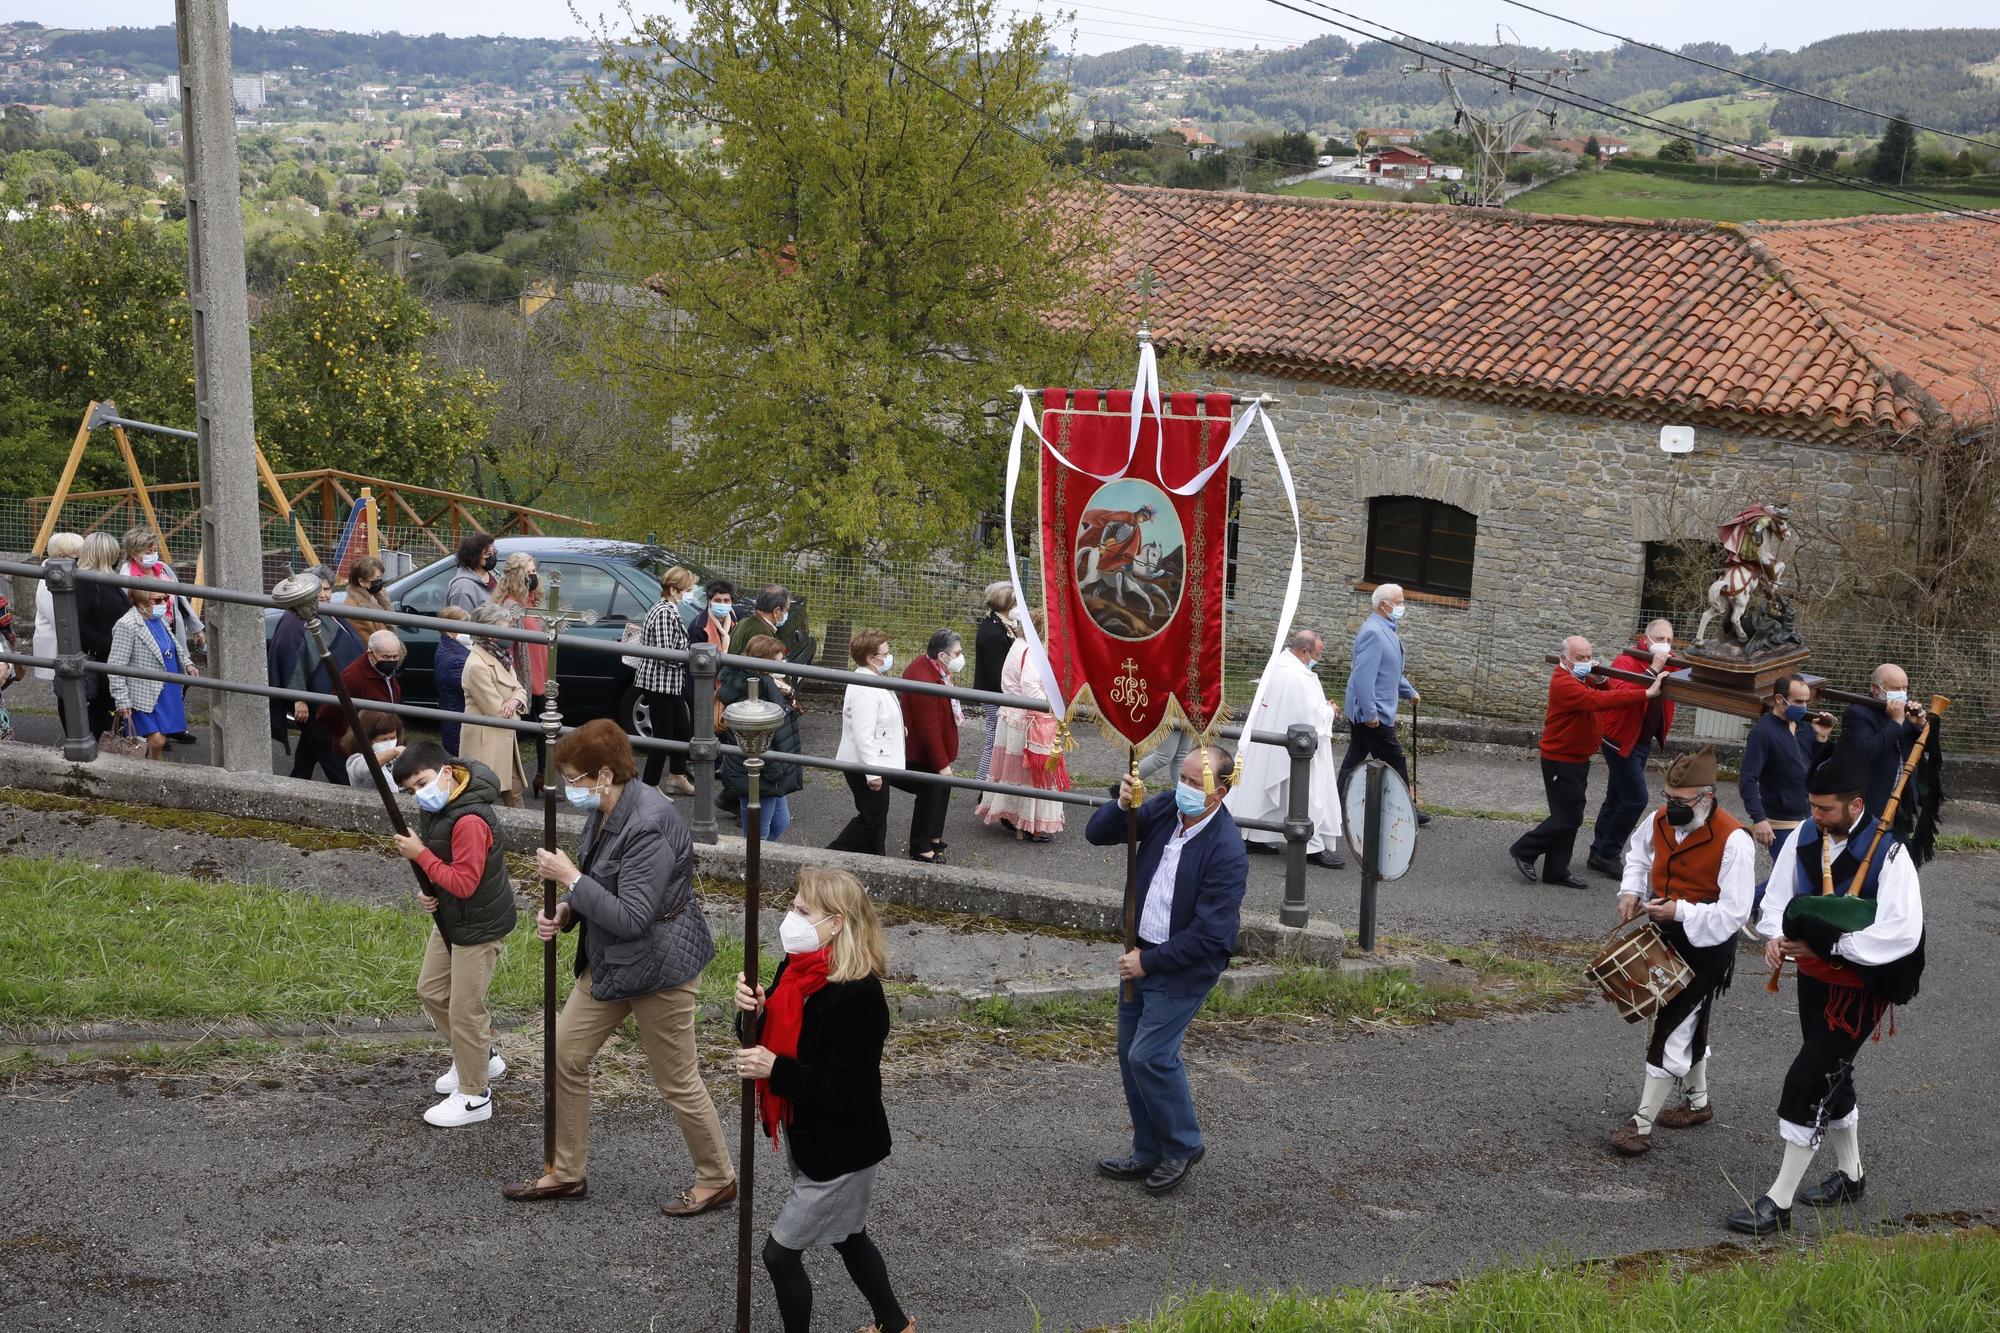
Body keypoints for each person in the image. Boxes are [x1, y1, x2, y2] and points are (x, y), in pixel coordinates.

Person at [508, 720, 737, 1213]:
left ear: (604, 774)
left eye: (574, 779)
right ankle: (566, 1171)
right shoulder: (611, 807)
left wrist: (570, 880)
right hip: (612, 961)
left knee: (676, 1078)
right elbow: (600, 881)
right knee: (564, 1053)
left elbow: (633, 916)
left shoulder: (649, 822)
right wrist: (568, 910)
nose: (569, 789)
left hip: (659, 968)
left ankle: (717, 1177)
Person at [1729, 742, 1925, 1236]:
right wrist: (1776, 936)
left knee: (1807, 1079)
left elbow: (1902, 930)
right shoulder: (1803, 837)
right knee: (1834, 1071)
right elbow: (1776, 898)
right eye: (1812, 806)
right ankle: (1852, 1175)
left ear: (1855, 806)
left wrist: (1834, 946)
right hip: (1813, 979)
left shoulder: (1890, 852)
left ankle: (1779, 1202)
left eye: (1825, 808)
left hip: (1860, 986)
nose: (1814, 815)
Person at [734, 867, 911, 1333]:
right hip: (810, 1135)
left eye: (801, 910)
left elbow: (847, 1090)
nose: (790, 919)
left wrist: (777, 1069)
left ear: (835, 923)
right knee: (848, 1237)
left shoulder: (860, 996)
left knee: (779, 1253)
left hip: (844, 1151)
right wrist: (752, 1010)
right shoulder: (796, 970)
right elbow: (765, 1040)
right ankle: (894, 1324)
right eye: (793, 907)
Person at [1088, 745, 1248, 1196]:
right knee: (1129, 1055)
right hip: (1139, 954)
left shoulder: (1227, 851)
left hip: (1181, 969)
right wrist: (1120, 805)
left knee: (1150, 1056)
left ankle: (1183, 1144)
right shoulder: (1162, 807)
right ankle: (1148, 1150)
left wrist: (1148, 961)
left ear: (1219, 793)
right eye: (1183, 777)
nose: (1185, 788)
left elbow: (1210, 937)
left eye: (1197, 783)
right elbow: (1096, 834)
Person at [1607, 747, 1753, 1156]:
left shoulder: (1734, 840)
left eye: (1680, 801)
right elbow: (1637, 855)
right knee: (1689, 1021)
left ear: (1706, 797)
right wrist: (1631, 891)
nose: (1670, 807)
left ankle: (1640, 1125)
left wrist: (1682, 910)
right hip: (1665, 935)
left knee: (1673, 1026)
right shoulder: (1658, 820)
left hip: (1708, 946)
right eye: (1667, 797)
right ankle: (1698, 1103)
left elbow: (1734, 913)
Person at [389, 740, 517, 1127]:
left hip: (479, 925)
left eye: (422, 783)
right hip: (454, 916)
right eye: (411, 791)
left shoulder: (470, 821)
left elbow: (463, 883)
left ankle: (476, 1095)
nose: (419, 795)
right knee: (431, 990)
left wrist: (421, 857)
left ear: (447, 772)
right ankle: (482, 1057)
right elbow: (449, 871)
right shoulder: (443, 805)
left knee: (466, 1010)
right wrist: (431, 888)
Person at [1510, 636, 1661, 889]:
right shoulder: (1563, 683)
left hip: (1577, 758)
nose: (1586, 662)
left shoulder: (1579, 677)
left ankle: (1556, 869)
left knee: (1572, 815)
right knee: (1567, 818)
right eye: (1580, 658)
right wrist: (1646, 693)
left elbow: (1604, 691)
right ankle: (1524, 850)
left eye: (1588, 656)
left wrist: (1601, 678)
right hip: (1560, 760)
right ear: (1564, 659)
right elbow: (1599, 702)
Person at [1226, 630, 1345, 869]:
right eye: (1317, 655)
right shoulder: (1295, 676)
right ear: (1304, 651)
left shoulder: (1280, 664)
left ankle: (1255, 836)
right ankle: (1311, 845)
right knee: (1307, 791)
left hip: (1270, 741)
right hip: (1295, 748)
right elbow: (1308, 717)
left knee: (1265, 787)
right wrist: (1330, 710)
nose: (1318, 660)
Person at [1584, 620, 1677, 877]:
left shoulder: (1671, 661)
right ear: (1645, 639)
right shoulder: (1626, 661)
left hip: (1642, 741)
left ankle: (1597, 852)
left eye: (1669, 640)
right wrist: (1653, 668)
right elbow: (1625, 692)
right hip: (1620, 739)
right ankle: (1608, 853)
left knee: (1616, 798)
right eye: (1660, 638)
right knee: (1636, 799)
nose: (1665, 644)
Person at [1338, 584, 1430, 827]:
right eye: (1398, 602)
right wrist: (1370, 713)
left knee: (1354, 758)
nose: (1402, 606)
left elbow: (1389, 671)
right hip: (1372, 713)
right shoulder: (1373, 633)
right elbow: (1362, 677)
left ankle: (1337, 804)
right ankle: (1405, 808)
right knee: (1394, 759)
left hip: (1373, 710)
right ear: (1383, 605)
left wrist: (1409, 692)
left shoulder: (1386, 629)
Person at [977, 607, 1066, 842]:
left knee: (1012, 771)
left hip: (1013, 715)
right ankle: (1027, 824)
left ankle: (1014, 817)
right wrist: (1051, 705)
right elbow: (1031, 687)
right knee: (1031, 775)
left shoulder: (1018, 645)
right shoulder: (1032, 651)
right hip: (1028, 721)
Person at [267, 566, 363, 783]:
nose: (324, 595)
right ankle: (348, 792)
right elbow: (290, 659)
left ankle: (296, 782)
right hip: (317, 701)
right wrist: (299, 698)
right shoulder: (294, 620)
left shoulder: (328, 612)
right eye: (318, 590)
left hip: (334, 696)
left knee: (310, 746)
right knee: (330, 748)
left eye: (327, 589)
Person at [719, 634, 804, 841]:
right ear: (762, 664)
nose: (783, 665)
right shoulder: (757, 690)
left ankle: (757, 865)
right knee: (759, 832)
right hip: (760, 772)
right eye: (777, 661)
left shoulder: (768, 685)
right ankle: (753, 869)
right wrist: (776, 771)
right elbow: (754, 739)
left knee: (779, 822)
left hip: (770, 770)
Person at [1740, 675, 1833, 862]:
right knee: (1787, 880)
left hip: (1810, 819)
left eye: (1807, 701)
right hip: (1781, 823)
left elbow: (1819, 769)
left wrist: (1822, 739)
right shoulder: (1762, 733)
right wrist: (1759, 819)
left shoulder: (1806, 727)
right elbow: (1748, 779)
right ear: (1779, 700)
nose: (1804, 707)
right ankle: (1746, 893)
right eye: (1798, 701)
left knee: (1803, 878)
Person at [829, 630, 903, 857]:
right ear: (871, 658)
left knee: (876, 816)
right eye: (885, 653)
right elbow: (863, 732)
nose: (889, 657)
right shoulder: (865, 686)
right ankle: (829, 854)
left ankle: (875, 858)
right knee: (872, 816)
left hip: (873, 761)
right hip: (865, 764)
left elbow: (880, 716)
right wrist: (872, 774)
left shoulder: (871, 678)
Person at [106, 586, 196, 760]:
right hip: (145, 693)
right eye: (157, 600)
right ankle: (154, 769)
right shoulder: (127, 625)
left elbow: (173, 645)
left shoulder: (158, 618)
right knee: (157, 740)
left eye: (165, 598)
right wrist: (122, 700)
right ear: (141, 602)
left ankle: (153, 767)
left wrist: (188, 663)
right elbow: (115, 666)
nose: (164, 603)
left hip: (168, 689)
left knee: (161, 738)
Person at [898, 628, 962, 865]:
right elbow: (929, 728)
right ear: (942, 656)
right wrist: (942, 764)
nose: (960, 657)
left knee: (942, 788)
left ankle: (934, 835)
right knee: (933, 788)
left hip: (926, 749)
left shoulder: (931, 668)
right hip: (918, 752)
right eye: (956, 653)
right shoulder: (924, 679)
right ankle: (920, 846)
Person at [460, 603, 530, 807]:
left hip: (505, 740)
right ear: (488, 633)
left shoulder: (501, 657)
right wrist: (514, 702)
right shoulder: (477, 665)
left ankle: (522, 836)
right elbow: (498, 712)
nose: (508, 633)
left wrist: (514, 701)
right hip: (485, 742)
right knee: (483, 797)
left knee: (515, 793)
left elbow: (521, 690)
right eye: (504, 628)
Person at [637, 566, 697, 797]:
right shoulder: (664, 612)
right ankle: (649, 785)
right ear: (673, 589)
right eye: (687, 590)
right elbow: (665, 653)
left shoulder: (668, 609)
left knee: (681, 728)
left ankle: (677, 775)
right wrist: (688, 658)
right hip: (659, 683)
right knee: (663, 737)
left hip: (669, 683)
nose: (689, 594)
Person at [1841, 664, 1926, 821]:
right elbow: (1867, 753)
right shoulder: (1857, 713)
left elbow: (1924, 750)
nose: (1902, 693)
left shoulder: (1904, 712)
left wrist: (1919, 725)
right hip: (1874, 803)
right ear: (1877, 688)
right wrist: (1896, 723)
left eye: (1904, 688)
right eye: (1895, 688)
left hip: (1903, 802)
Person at [76, 533, 129, 743]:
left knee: (109, 709)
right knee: (102, 710)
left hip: (111, 655)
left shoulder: (105, 579)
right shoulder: (87, 583)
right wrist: (107, 644)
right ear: (106, 553)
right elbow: (78, 624)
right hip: (101, 658)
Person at [313, 630, 404, 751]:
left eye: (395, 656)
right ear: (370, 654)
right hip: (359, 748)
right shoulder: (352, 678)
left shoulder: (385, 671)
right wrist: (351, 737)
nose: (391, 661)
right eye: (386, 657)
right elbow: (327, 714)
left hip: (382, 742)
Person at [31, 532, 84, 735]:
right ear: (62, 556)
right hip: (58, 644)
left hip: (64, 643)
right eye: (77, 557)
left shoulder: (62, 572)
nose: (80, 562)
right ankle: (73, 734)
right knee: (64, 691)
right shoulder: (50, 577)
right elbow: (58, 615)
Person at [494, 552, 549, 720]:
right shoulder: (510, 607)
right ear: (518, 577)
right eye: (529, 573)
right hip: (526, 679)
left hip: (543, 675)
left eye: (534, 572)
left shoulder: (535, 601)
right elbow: (507, 649)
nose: (533, 576)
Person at [973, 581, 1017, 781]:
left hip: (998, 693)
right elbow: (996, 673)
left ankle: (991, 782)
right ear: (1007, 605)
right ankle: (984, 783)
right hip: (994, 694)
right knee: (995, 738)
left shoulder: (1000, 625)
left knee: (998, 738)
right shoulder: (993, 633)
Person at [433, 606, 474, 755]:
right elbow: (474, 687)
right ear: (450, 631)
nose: (468, 629)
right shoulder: (455, 660)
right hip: (460, 728)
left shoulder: (451, 647)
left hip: (456, 723)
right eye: (463, 625)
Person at [345, 709, 406, 788]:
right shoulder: (355, 760)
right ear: (367, 739)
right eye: (383, 739)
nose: (390, 742)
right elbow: (364, 768)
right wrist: (394, 751)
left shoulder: (398, 758)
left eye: (393, 738)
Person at [341, 556, 394, 639]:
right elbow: (369, 642)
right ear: (361, 582)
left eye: (380, 577)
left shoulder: (376, 594)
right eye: (377, 578)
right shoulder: (356, 609)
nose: (379, 581)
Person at [445, 533, 498, 614]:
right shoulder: (462, 588)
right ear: (474, 557)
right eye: (488, 554)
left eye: (494, 552)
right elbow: (461, 622)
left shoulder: (493, 574)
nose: (493, 557)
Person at [689, 578, 736, 654]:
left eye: (726, 600)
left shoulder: (735, 619)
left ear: (732, 602)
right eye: (717, 600)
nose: (722, 604)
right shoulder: (698, 627)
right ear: (709, 601)